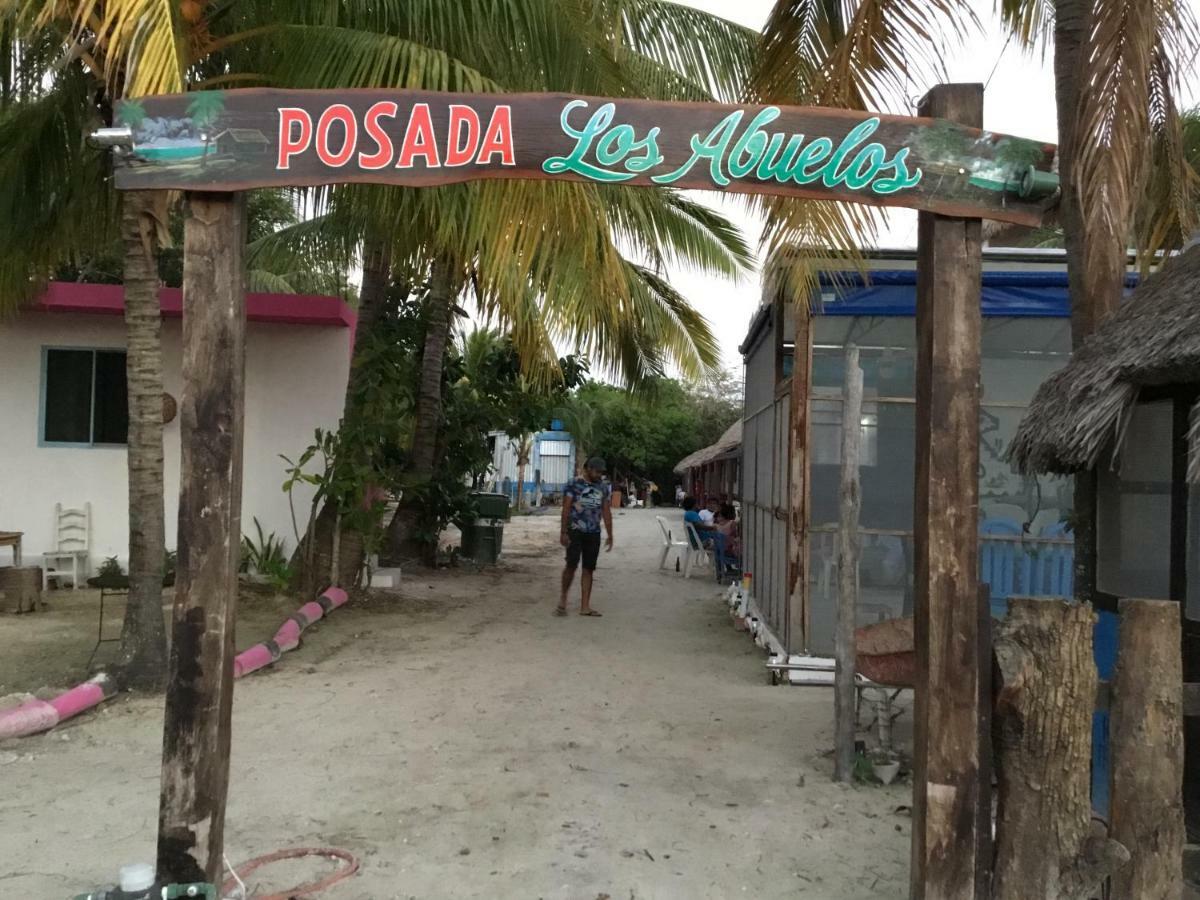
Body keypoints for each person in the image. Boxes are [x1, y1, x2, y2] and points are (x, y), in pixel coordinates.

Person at [557, 456, 613, 617]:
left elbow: (606, 511)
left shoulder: (602, 487)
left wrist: (610, 534)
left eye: (601, 472)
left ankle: (585, 606)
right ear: (588, 469)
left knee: (589, 569)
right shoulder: (574, 484)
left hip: (593, 532)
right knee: (571, 565)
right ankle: (563, 599)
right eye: (597, 471)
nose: (599, 475)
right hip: (575, 530)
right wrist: (563, 531)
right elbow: (566, 508)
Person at [682, 496, 730, 577]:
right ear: (693, 504)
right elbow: (699, 526)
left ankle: (723, 568)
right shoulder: (691, 514)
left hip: (699, 540)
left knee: (722, 542)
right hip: (702, 542)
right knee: (724, 545)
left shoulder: (689, 513)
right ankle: (723, 570)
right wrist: (713, 528)